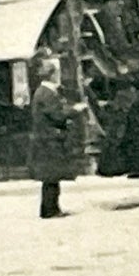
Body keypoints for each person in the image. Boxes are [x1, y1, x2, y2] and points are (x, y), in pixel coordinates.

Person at [28, 56, 84, 219]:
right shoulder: (46, 93)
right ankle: (50, 210)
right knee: (51, 177)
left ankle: (51, 208)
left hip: (47, 139)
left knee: (52, 177)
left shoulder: (45, 92)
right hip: (49, 141)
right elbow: (57, 115)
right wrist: (75, 110)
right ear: (53, 74)